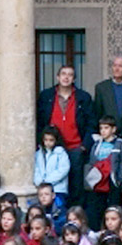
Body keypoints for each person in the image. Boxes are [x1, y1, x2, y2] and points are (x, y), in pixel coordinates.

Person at [37, 64, 95, 207]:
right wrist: (41, 143)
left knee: (76, 186)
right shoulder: (46, 96)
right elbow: (38, 120)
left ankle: (75, 217)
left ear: (74, 79)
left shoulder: (83, 97)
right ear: (58, 77)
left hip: (75, 147)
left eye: (70, 75)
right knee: (54, 185)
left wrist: (84, 146)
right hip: (52, 147)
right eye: (63, 74)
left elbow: (91, 123)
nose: (66, 77)